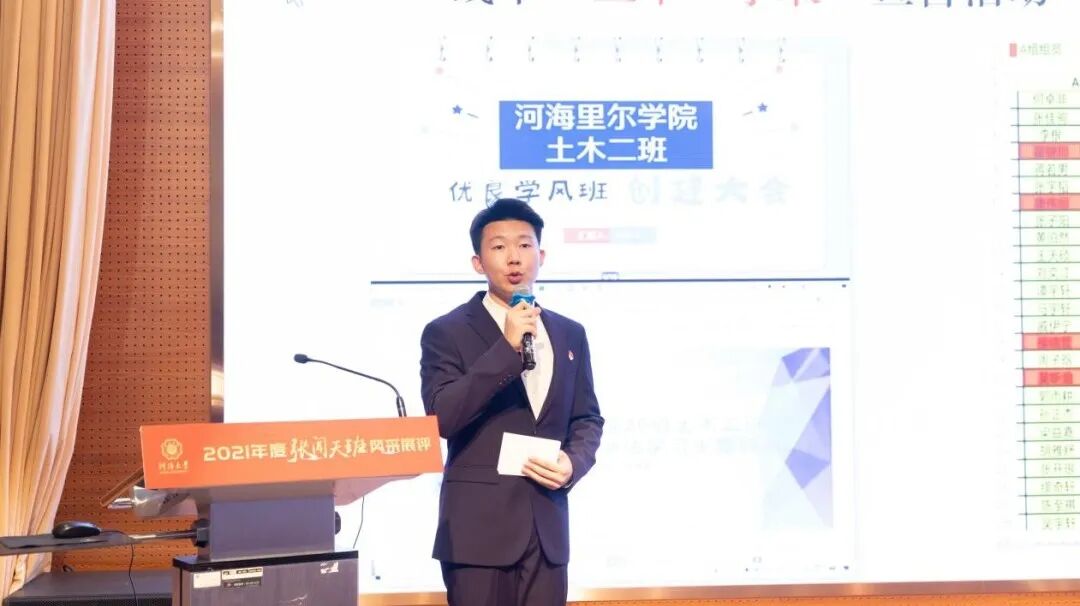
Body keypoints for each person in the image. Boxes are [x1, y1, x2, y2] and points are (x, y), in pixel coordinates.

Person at [420, 198, 604, 606]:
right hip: (478, 534)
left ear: (541, 256)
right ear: (478, 262)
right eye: (499, 247)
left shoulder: (570, 334)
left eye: (524, 245)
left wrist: (573, 463)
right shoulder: (446, 332)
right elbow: (442, 418)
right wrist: (506, 349)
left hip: (547, 531)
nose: (514, 257)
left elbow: (587, 418)